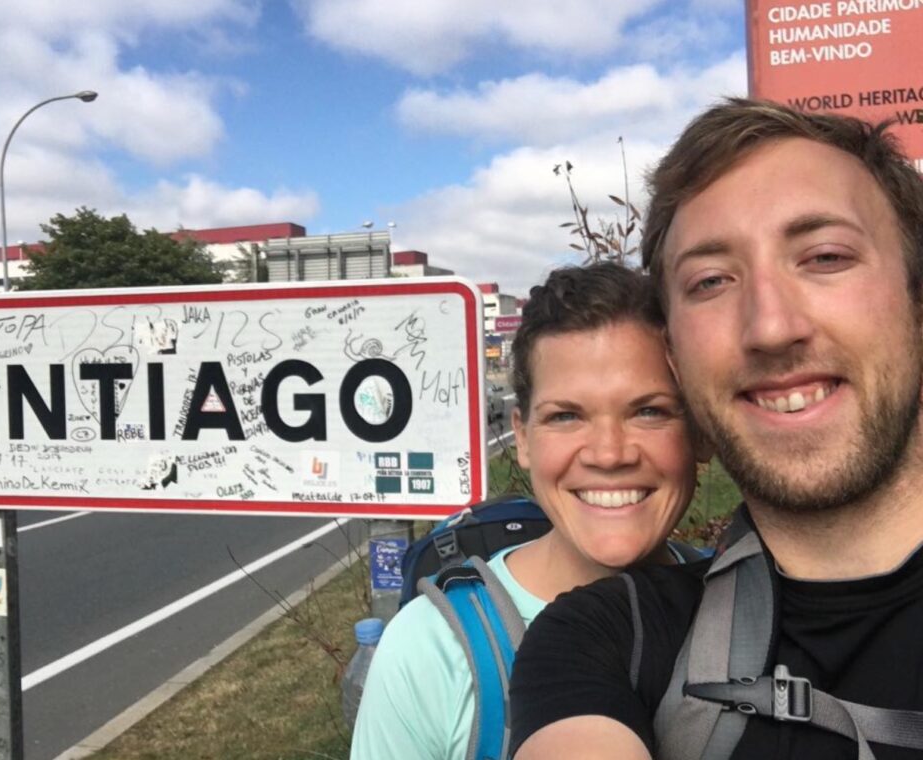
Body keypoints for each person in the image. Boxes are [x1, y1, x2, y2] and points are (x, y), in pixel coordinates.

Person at [510, 97, 923, 760]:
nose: (769, 325)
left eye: (823, 257)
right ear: (676, 356)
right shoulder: (610, 638)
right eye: (710, 280)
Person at [350, 262, 709, 760]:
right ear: (521, 438)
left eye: (649, 411)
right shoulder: (431, 653)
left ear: (699, 431)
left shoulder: (752, 602)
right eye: (566, 416)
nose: (609, 453)